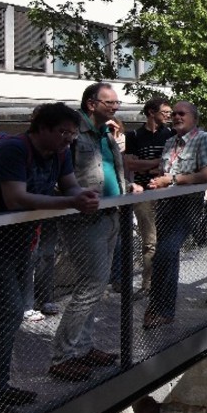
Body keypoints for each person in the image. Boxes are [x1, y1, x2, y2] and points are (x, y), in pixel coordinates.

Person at [0, 103, 98, 413]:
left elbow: (70, 185)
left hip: (21, 241)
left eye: (72, 133)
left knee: (8, 318)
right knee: (9, 313)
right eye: (63, 133)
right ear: (42, 129)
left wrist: (83, 195)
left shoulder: (60, 152)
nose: (69, 140)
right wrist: (71, 201)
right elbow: (16, 198)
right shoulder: (12, 150)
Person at [47, 83, 136, 382]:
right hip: (85, 219)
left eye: (116, 102)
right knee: (91, 285)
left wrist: (126, 191)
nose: (114, 107)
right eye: (108, 102)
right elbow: (57, 174)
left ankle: (82, 348)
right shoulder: (72, 133)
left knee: (96, 287)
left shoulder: (106, 133)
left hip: (111, 214)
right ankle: (62, 356)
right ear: (90, 104)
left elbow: (113, 170)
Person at [143, 101, 207, 329]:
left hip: (187, 205)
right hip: (165, 203)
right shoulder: (169, 142)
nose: (175, 116)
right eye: (173, 113)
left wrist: (171, 180)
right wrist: (157, 180)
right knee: (166, 256)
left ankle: (159, 308)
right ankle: (162, 310)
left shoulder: (203, 139)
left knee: (165, 252)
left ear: (193, 117)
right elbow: (165, 170)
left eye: (181, 113)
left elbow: (206, 175)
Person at [123, 98, 173, 297]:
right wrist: (156, 163)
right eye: (165, 112)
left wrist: (151, 164)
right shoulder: (134, 136)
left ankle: (165, 283)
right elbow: (131, 165)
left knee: (166, 241)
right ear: (151, 112)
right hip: (143, 193)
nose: (169, 116)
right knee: (149, 241)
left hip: (167, 193)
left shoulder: (171, 135)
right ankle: (148, 285)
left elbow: (169, 165)